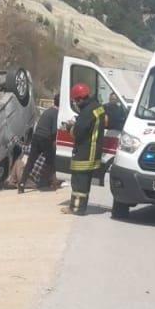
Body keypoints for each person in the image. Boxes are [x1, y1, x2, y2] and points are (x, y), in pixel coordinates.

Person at [64, 82, 105, 215]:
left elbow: (79, 133)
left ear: (79, 99)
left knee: (78, 182)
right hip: (94, 151)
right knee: (85, 181)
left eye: (75, 101)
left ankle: (76, 208)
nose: (75, 103)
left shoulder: (86, 112)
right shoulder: (98, 107)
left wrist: (70, 128)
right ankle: (82, 206)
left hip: (84, 151)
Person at [18, 92, 60, 194]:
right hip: (46, 139)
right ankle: (46, 183)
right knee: (51, 162)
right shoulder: (56, 113)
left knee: (30, 162)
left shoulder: (47, 111)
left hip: (36, 137)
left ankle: (22, 184)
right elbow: (54, 131)